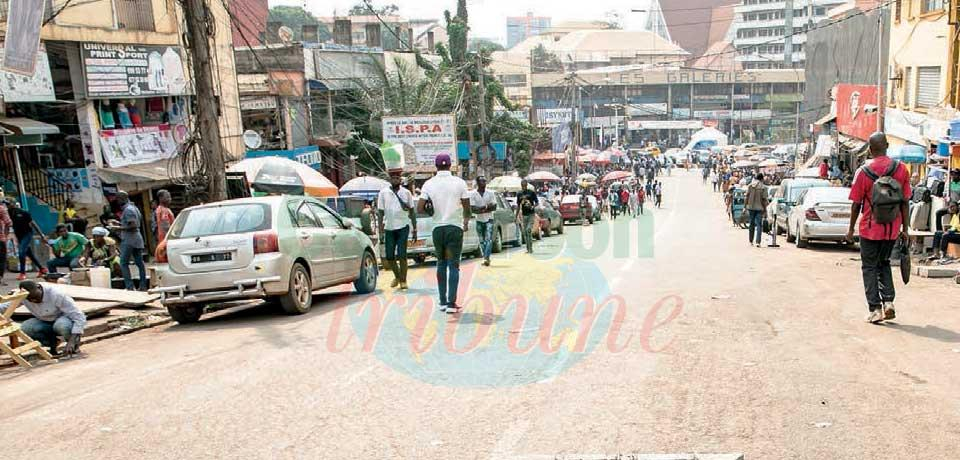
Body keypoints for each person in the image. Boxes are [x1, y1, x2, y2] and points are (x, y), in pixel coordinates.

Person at [846, 132, 911, 324]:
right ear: (887, 145)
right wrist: (905, 229)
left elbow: (856, 204)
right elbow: (905, 202)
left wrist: (851, 230)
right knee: (884, 263)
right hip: (892, 228)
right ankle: (888, 302)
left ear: (871, 149)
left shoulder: (863, 171)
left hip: (869, 228)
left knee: (869, 267)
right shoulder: (901, 169)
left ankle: (874, 308)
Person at [417, 154, 471, 313]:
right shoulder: (459, 183)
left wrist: (432, 213)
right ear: (450, 165)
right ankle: (451, 304)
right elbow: (467, 207)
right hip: (454, 227)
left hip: (437, 228)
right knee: (453, 265)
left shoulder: (428, 184)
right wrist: (466, 221)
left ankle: (442, 301)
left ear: (436, 166)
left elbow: (419, 208)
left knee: (441, 263)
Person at [17, 280, 86, 357]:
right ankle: (52, 344)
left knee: (61, 325)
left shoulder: (56, 294)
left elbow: (79, 317)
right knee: (26, 327)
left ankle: (74, 346)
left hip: (63, 320)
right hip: (44, 322)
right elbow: (6, 306)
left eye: (35, 297)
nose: (33, 300)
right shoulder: (23, 295)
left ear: (39, 287)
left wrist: (72, 341)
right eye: (29, 299)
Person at [377, 171, 417, 289]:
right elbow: (380, 213)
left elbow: (412, 212)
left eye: (397, 178)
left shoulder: (406, 193)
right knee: (389, 256)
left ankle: (403, 280)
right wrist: (380, 231)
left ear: (400, 180)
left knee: (402, 254)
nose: (395, 180)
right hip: (389, 228)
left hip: (403, 227)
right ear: (390, 179)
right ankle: (397, 276)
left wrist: (415, 228)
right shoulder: (383, 193)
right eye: (393, 178)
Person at [110, 192, 147, 291]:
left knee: (123, 263)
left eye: (118, 199)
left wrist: (117, 227)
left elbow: (133, 225)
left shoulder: (128, 210)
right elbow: (133, 222)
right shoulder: (134, 208)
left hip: (130, 239)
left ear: (122, 198)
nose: (117, 201)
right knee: (139, 262)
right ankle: (143, 285)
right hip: (136, 238)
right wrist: (119, 223)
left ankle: (130, 287)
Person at [8, 199, 47, 281]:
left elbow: (33, 224)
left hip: (27, 234)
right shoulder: (9, 213)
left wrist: (42, 235)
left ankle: (22, 273)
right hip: (19, 235)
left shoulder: (24, 213)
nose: (9, 205)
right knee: (29, 253)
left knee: (22, 251)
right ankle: (42, 269)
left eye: (10, 203)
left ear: (15, 204)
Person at [469, 176, 497, 266]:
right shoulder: (473, 194)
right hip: (479, 220)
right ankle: (485, 256)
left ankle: (486, 257)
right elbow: (473, 209)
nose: (484, 183)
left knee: (488, 239)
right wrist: (486, 207)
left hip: (489, 219)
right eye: (482, 181)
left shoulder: (490, 193)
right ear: (477, 183)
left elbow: (494, 207)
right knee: (481, 240)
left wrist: (481, 209)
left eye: (485, 181)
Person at [745, 173, 769, 248]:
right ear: (762, 179)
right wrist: (765, 210)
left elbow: (746, 197)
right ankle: (758, 242)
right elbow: (764, 200)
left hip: (751, 208)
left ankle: (750, 241)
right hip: (759, 208)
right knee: (759, 225)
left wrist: (745, 206)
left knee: (751, 224)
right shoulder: (764, 187)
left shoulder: (750, 185)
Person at [517, 179, 539, 254]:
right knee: (525, 232)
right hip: (524, 215)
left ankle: (531, 248)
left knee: (528, 230)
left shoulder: (531, 192)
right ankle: (528, 248)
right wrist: (516, 216)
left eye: (525, 185)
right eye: (522, 186)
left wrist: (533, 206)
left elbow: (537, 202)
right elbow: (518, 205)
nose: (523, 187)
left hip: (531, 214)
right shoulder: (519, 194)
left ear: (527, 185)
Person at [0, 193, 11, 283]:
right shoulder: (1, 209)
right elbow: (8, 223)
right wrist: (6, 235)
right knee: (1, 258)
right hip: (1, 239)